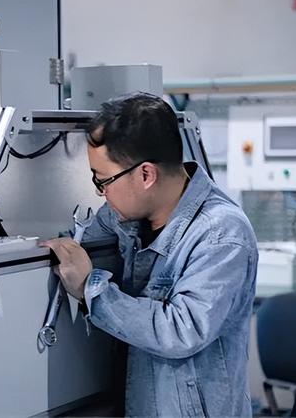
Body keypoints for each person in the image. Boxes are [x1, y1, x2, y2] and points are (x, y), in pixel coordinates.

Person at [41, 92, 258, 417]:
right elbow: (80, 242)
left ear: (146, 175)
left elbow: (182, 331)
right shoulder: (124, 216)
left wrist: (91, 289)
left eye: (104, 180)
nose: (101, 193)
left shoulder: (221, 234)